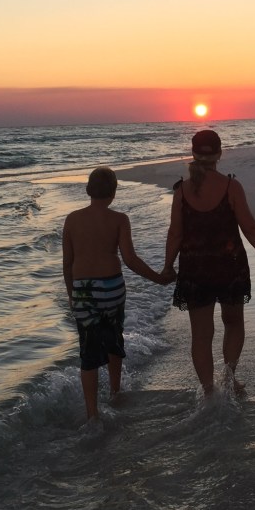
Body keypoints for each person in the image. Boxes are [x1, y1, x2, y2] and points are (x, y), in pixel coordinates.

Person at [163, 129, 255, 395]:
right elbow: (250, 228)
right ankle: (229, 379)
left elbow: (175, 233)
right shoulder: (230, 187)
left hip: (195, 269)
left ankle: (208, 391)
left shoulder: (182, 191)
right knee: (234, 322)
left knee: (201, 335)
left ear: (193, 153)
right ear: (219, 154)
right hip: (230, 266)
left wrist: (168, 266)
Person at [62, 166, 166, 419]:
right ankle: (115, 393)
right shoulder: (120, 219)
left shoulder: (72, 219)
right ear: (113, 192)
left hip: (83, 291)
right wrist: (159, 278)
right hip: (111, 288)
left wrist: (72, 295)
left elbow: (67, 263)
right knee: (113, 340)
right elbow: (130, 259)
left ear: (89, 189)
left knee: (88, 350)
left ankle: (92, 413)